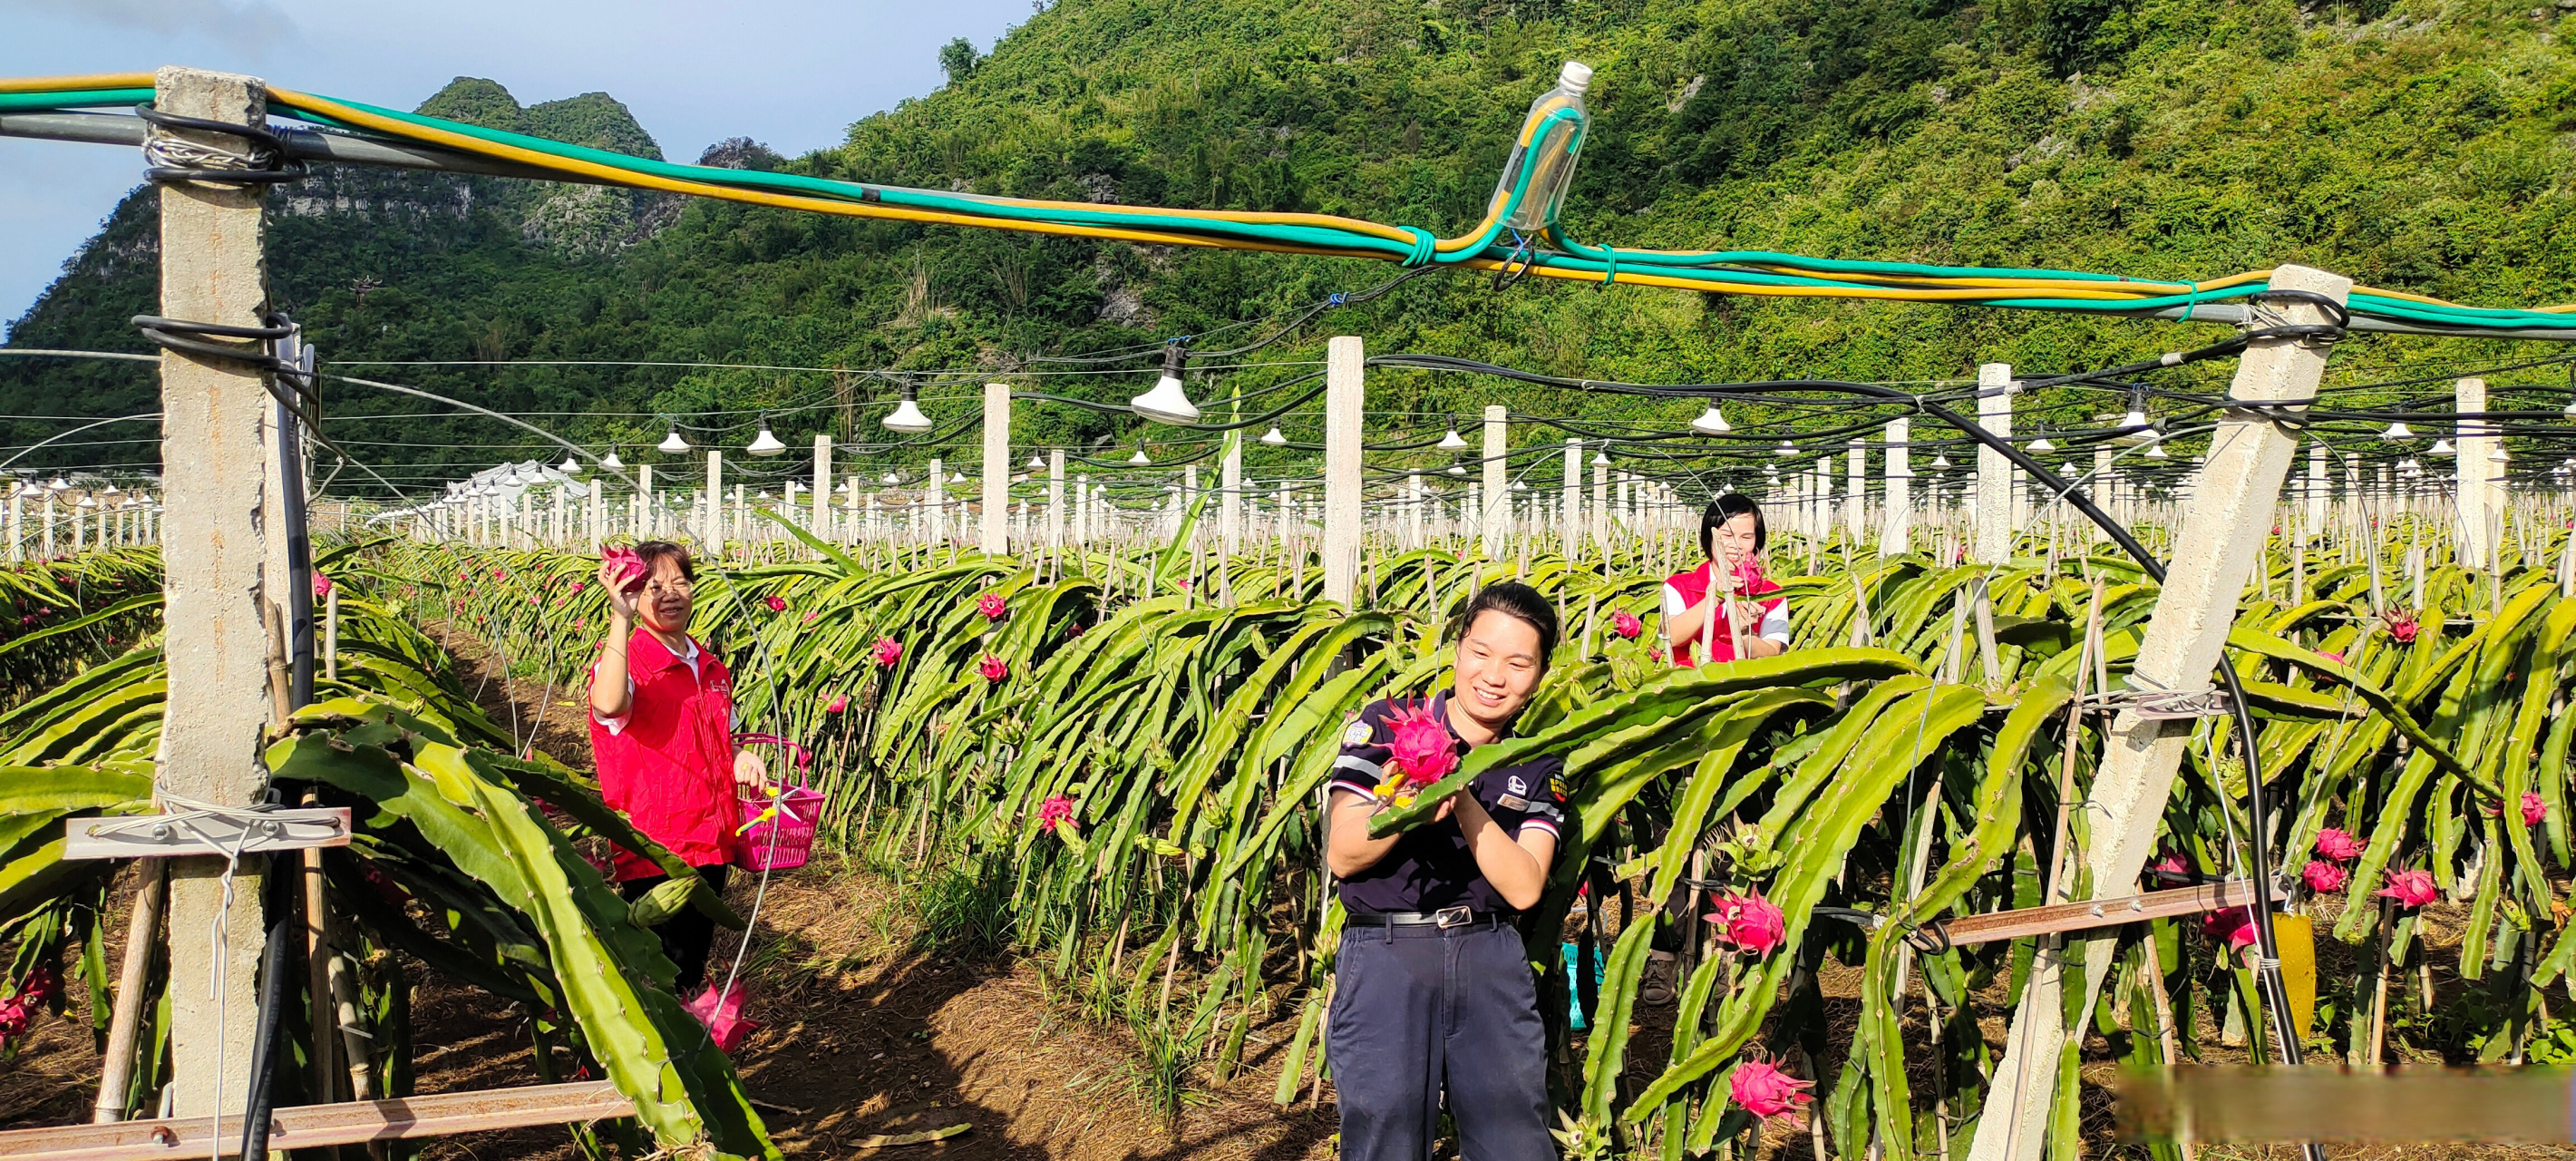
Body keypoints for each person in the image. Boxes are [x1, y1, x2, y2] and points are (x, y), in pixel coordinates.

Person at [1324, 581, 1566, 1161]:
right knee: (1387, 1139)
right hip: (1387, 953)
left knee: (1515, 1142)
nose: (1494, 675)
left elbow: (1526, 885)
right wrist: (1403, 810)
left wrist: (1459, 793)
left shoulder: (1537, 763)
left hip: (1490, 956)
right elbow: (1342, 852)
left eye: (1518, 663)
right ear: (1457, 649)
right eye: (1480, 652)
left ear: (1537, 677)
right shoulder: (1385, 726)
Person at [588, 541, 768, 995]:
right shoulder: (630, 663)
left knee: (689, 968)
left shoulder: (709, 666)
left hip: (711, 840)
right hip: (656, 846)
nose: (670, 593)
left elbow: (719, 740)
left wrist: (740, 756)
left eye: (679, 581)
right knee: (662, 974)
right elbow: (609, 705)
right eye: (653, 585)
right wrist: (620, 617)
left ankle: (687, 1058)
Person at [1662, 494, 1790, 665]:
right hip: (1688, 687)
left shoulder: (1772, 596)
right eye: (1726, 535)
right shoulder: (1677, 586)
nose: (1735, 545)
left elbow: (1773, 653)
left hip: (1746, 690)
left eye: (1746, 537)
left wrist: (1745, 635)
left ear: (1757, 541)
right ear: (1709, 536)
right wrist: (1715, 597)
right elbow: (1672, 637)